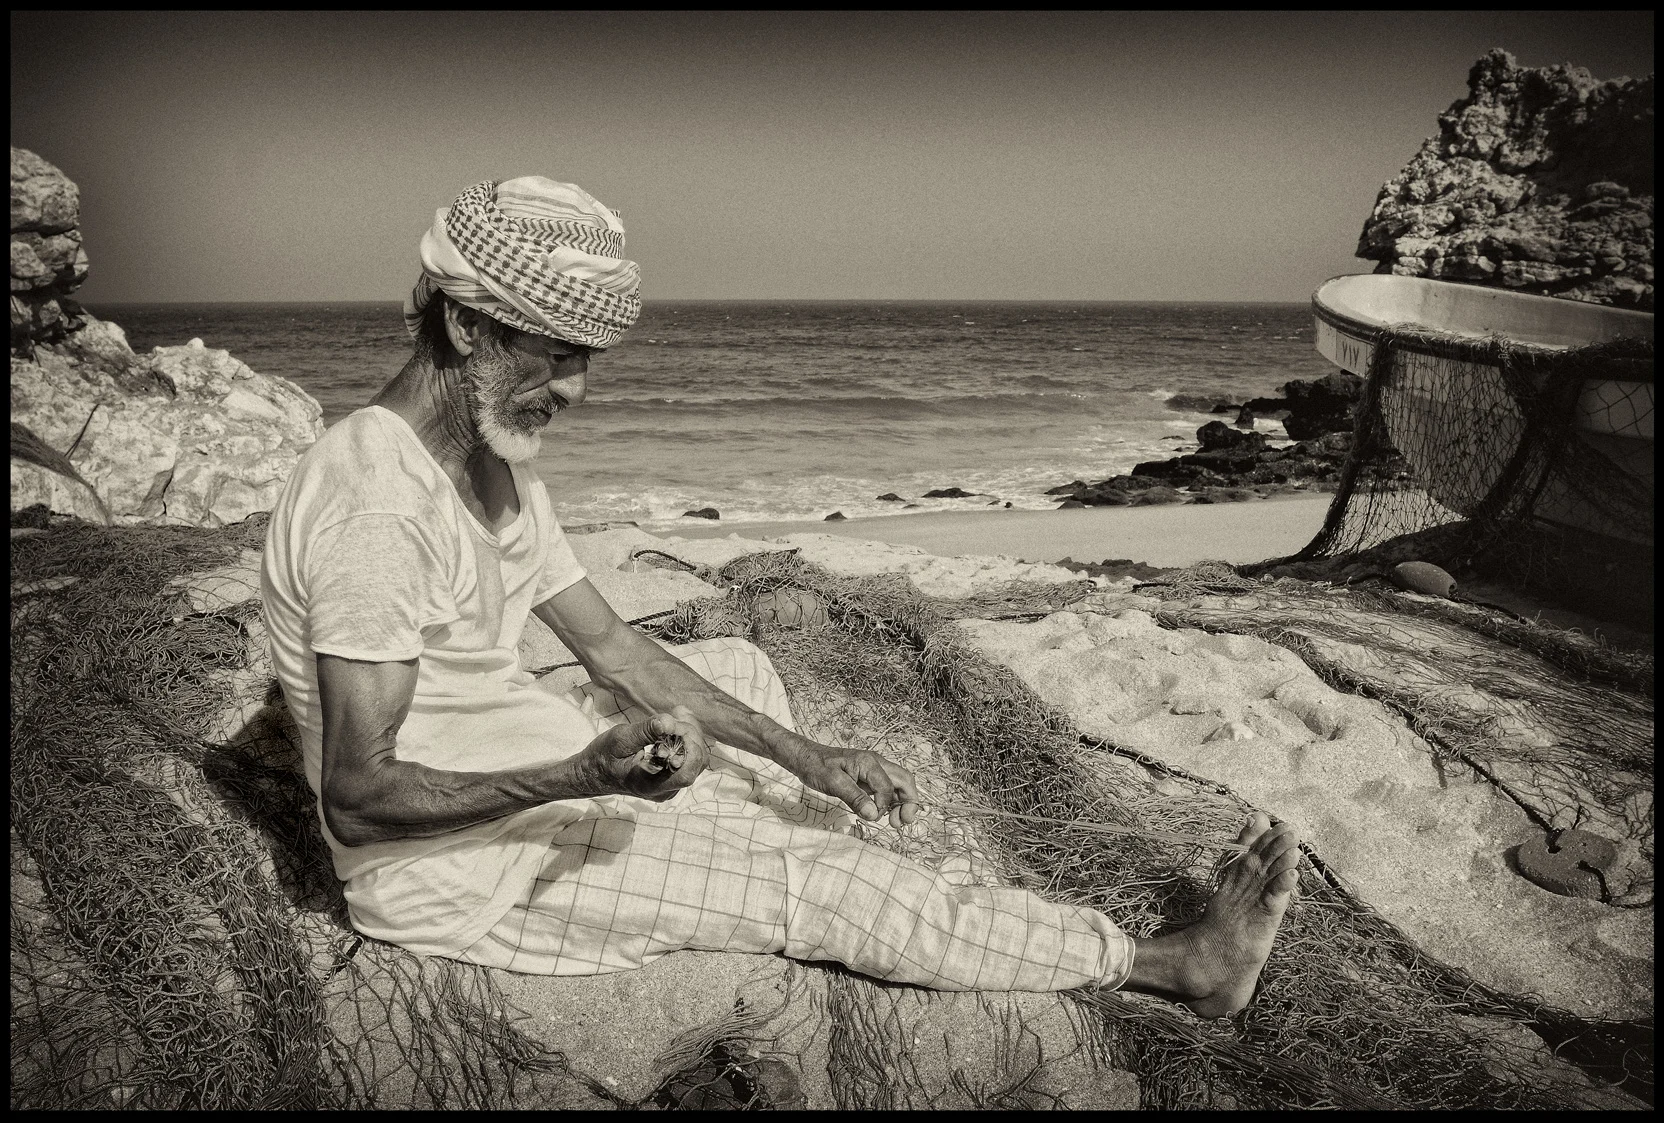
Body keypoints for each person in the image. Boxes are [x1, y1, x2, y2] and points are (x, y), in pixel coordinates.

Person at [260, 176, 1300, 1013]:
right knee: (824, 888)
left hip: (518, 762)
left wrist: (807, 753)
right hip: (464, 876)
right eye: (557, 355)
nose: (576, 389)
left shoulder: (492, 466)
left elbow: (612, 647)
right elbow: (360, 797)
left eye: (586, 358)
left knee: (737, 669)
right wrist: (580, 773)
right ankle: (1170, 967)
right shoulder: (376, 511)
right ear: (463, 327)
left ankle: (791, 824)